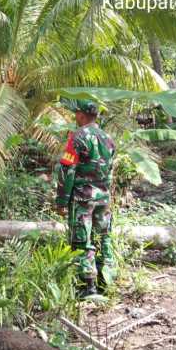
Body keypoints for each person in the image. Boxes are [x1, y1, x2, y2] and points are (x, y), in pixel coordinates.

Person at [55, 99, 116, 299]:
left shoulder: (77, 137)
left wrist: (62, 201)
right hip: (103, 197)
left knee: (83, 240)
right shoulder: (108, 138)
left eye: (76, 114)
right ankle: (107, 279)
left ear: (81, 114)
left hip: (83, 198)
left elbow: (67, 169)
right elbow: (110, 170)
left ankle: (88, 286)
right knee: (104, 236)